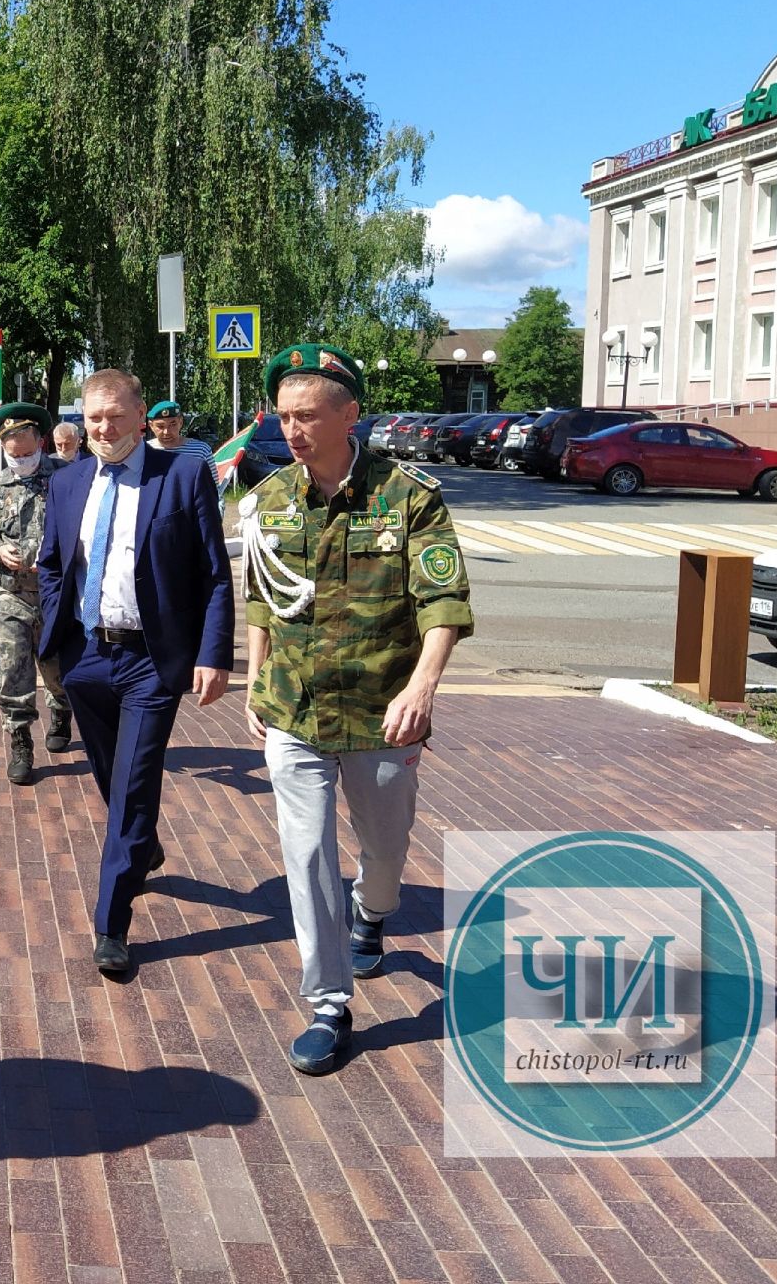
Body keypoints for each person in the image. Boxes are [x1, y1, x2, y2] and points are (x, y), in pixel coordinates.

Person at [239, 343, 473, 1076]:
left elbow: (444, 601)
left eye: (308, 415)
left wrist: (423, 685)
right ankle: (328, 1004)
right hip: (296, 710)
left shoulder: (409, 497)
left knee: (386, 852)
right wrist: (254, 676)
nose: (294, 430)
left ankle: (374, 914)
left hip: (383, 712)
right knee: (307, 857)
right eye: (284, 416)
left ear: (350, 414)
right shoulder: (271, 498)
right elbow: (261, 596)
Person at [37, 368, 234, 978]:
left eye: (116, 416)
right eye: (94, 417)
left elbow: (215, 572)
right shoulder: (67, 482)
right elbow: (51, 565)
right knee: (108, 773)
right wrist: (54, 638)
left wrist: (212, 653)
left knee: (134, 782)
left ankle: (111, 922)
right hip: (87, 656)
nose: (103, 428)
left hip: (153, 659)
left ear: (140, 413)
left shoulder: (180, 474)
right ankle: (142, 847)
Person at [0, 403, 70, 786]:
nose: (20, 458)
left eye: (26, 451)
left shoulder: (64, 477)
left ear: (41, 442)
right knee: (13, 668)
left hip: (56, 593)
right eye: (12, 452)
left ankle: (61, 709)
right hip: (12, 594)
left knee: (56, 665)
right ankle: (20, 741)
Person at [146, 400, 215, 468]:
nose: (166, 432)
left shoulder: (201, 451)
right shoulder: (144, 451)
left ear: (181, 422)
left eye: (172, 425)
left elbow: (211, 479)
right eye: (160, 426)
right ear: (151, 425)